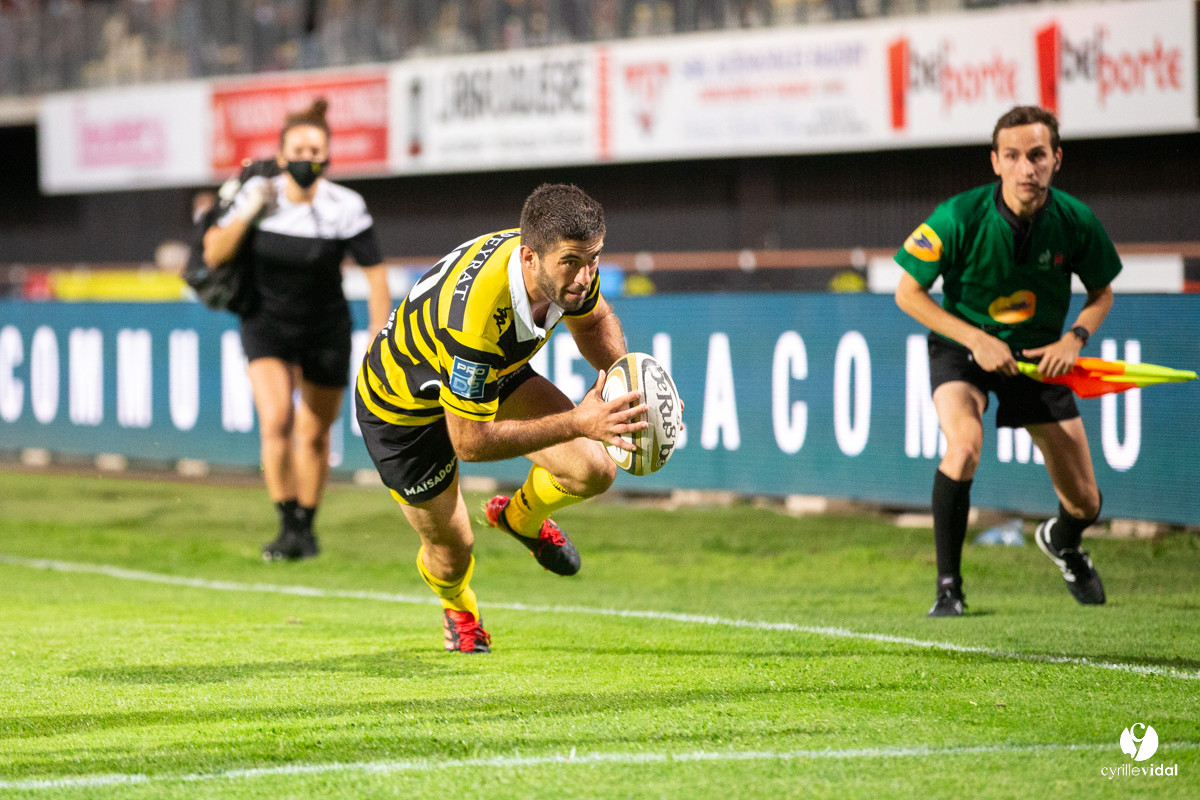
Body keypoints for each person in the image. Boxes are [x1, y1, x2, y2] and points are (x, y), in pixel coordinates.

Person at [355, 183, 647, 653]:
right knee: (453, 553)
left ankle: (520, 519)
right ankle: (460, 608)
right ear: (530, 258)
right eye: (571, 262)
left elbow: (593, 322)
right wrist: (579, 422)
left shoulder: (563, 263)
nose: (584, 276)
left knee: (594, 469)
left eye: (593, 259)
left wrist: (626, 381)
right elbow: (471, 442)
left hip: (492, 373)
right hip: (402, 411)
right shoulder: (474, 318)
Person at [893, 105, 1122, 617]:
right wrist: (974, 339)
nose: (1027, 168)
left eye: (1038, 155)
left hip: (1039, 360)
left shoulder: (1075, 220)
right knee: (964, 447)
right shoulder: (958, 216)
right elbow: (908, 293)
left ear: (1056, 159)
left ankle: (1063, 542)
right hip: (963, 350)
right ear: (995, 162)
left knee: (1086, 503)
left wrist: (1075, 339)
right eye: (1013, 156)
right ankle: (948, 588)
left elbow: (1102, 294)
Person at [203, 98, 392, 562]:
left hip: (325, 327)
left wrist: (376, 330)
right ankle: (285, 522)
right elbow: (213, 253)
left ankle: (306, 529)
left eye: (315, 149)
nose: (307, 157)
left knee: (315, 433)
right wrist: (249, 212)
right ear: (282, 155)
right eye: (298, 149)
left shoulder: (345, 206)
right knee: (276, 420)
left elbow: (375, 274)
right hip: (266, 322)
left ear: (327, 156)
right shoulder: (258, 195)